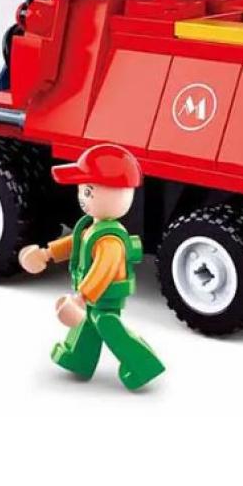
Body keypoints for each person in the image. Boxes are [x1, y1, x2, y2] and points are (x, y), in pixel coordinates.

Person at [19, 144, 165, 390]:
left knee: (108, 325)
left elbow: (103, 271)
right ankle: (77, 358)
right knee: (89, 323)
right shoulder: (92, 228)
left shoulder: (110, 241)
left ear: (121, 194)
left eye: (88, 191)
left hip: (105, 296)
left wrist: (82, 297)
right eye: (81, 190)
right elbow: (74, 243)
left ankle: (143, 364)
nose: (81, 197)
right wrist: (46, 254)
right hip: (94, 296)